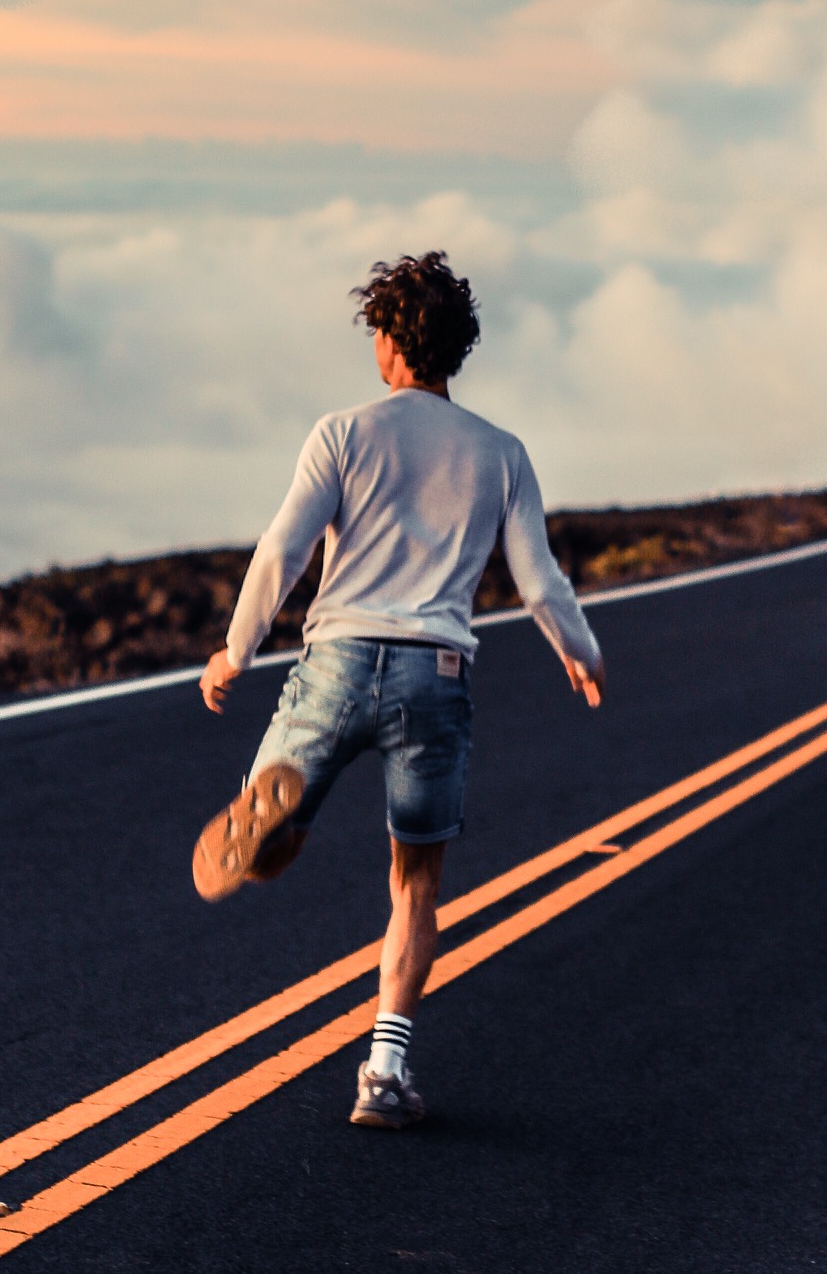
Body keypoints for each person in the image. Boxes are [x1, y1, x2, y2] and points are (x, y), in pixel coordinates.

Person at [193, 250, 607, 1128]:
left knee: (277, 823)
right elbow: (538, 584)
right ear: (456, 349)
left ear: (388, 342)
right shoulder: (502, 453)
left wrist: (235, 650)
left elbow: (284, 551)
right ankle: (383, 1073)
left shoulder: (342, 432)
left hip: (338, 658)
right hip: (436, 674)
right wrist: (580, 651)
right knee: (413, 883)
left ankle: (278, 815)